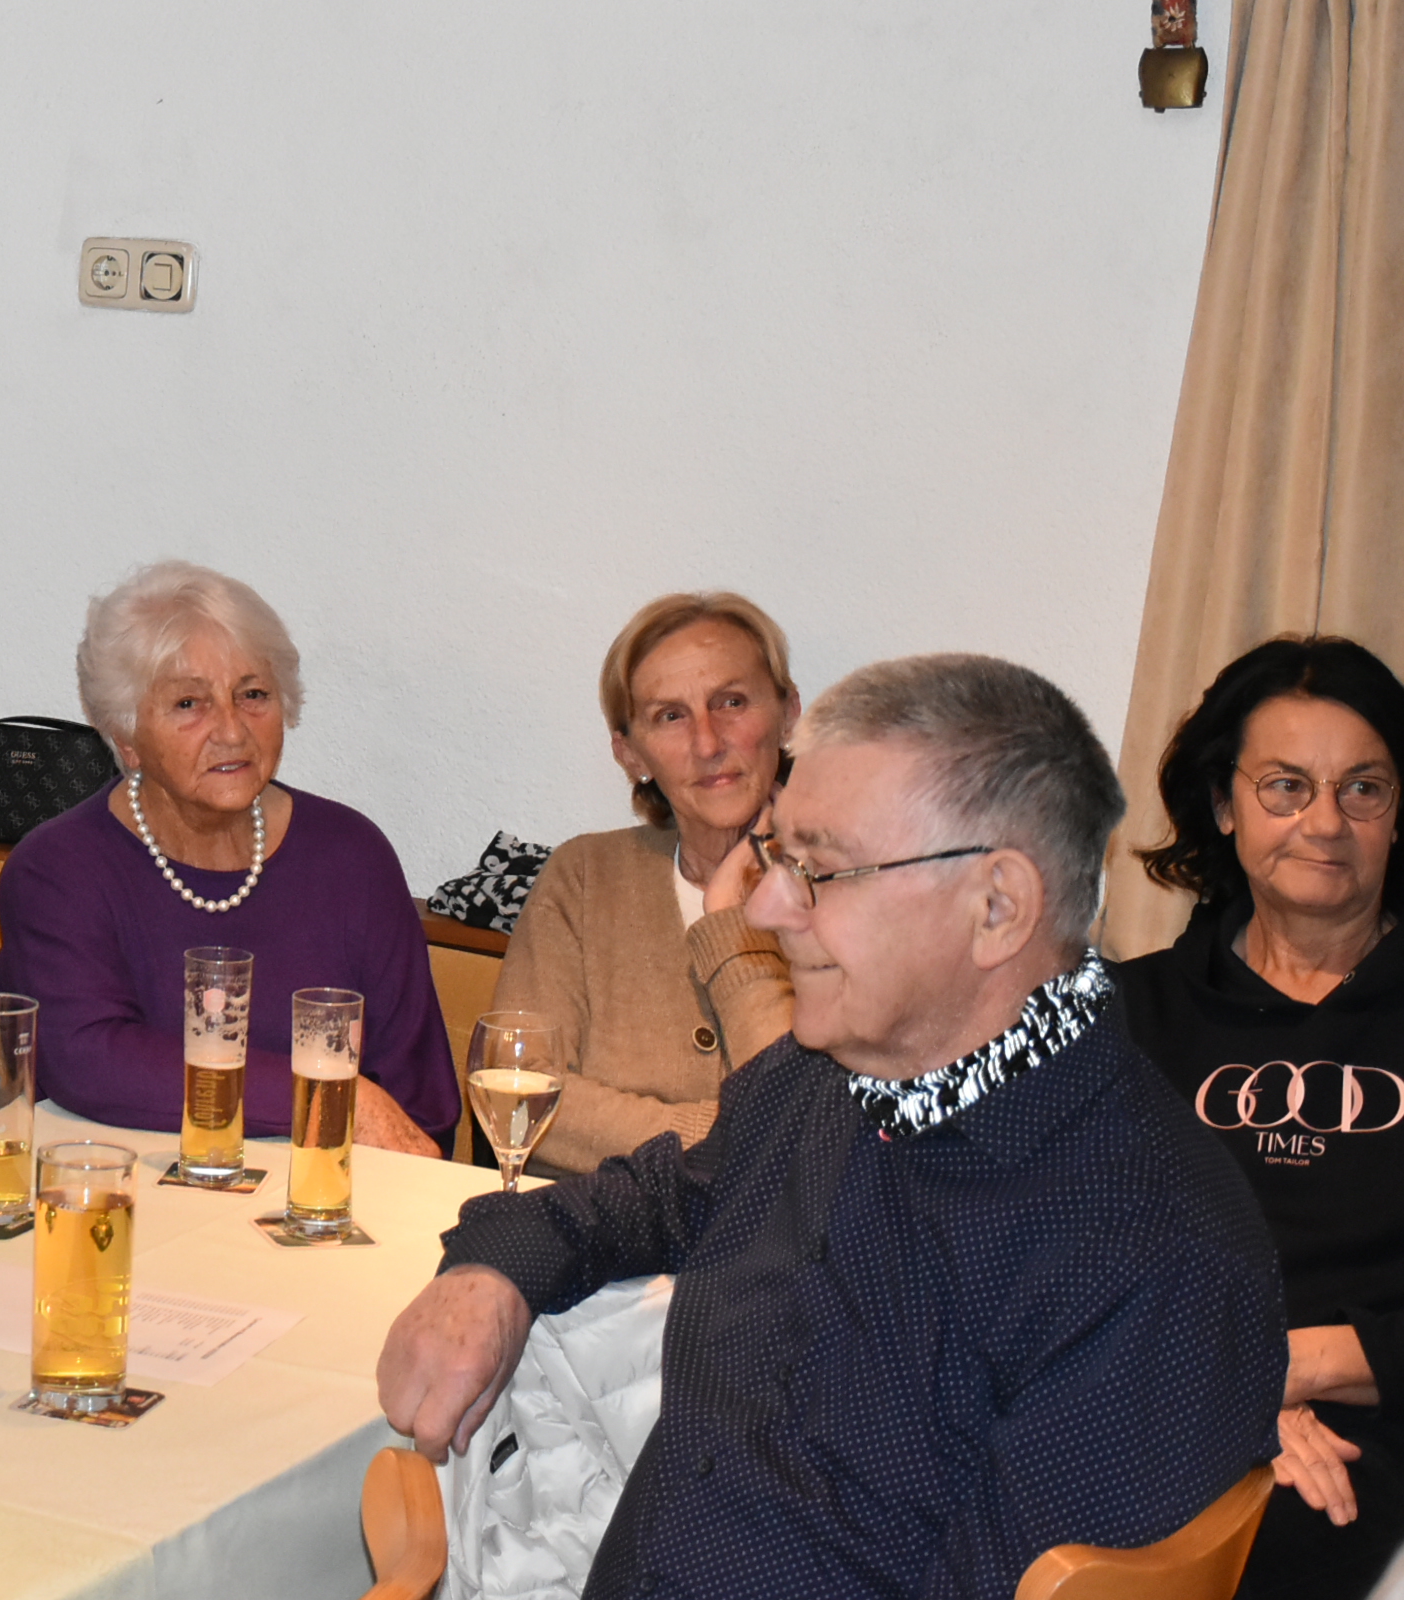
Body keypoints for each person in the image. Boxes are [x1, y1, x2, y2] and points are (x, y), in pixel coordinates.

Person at [378, 654, 1285, 1596]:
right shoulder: (830, 1079)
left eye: (818, 870)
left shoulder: (1154, 1253)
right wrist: (490, 1273)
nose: (767, 907)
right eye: (778, 857)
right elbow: (651, 1197)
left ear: (998, 908)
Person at [0, 561, 460, 1152]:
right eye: (189, 703)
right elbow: (91, 1060)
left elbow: (422, 1106)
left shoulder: (353, 857)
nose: (233, 731)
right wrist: (328, 1097)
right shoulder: (59, 870)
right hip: (119, 1186)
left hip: (323, 1191)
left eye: (253, 694)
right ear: (127, 738)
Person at [1117, 635, 1404, 1599]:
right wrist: (1237, 1389)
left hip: (1373, 1438)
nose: (1325, 821)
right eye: (1286, 786)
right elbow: (1052, 1259)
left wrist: (1295, 1365)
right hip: (1158, 1412)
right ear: (1223, 804)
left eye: (1363, 788)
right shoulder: (1124, 1017)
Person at [492, 593, 800, 1175]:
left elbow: (806, 1132)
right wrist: (719, 1144)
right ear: (631, 753)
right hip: (590, 1222)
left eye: (731, 702)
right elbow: (516, 1094)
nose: (708, 743)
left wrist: (729, 920)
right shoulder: (586, 876)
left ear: (788, 714)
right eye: (670, 716)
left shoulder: (854, 890)